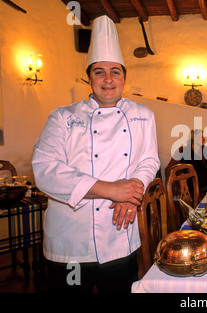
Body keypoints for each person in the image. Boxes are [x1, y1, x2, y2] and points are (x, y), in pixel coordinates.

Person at [32, 15, 160, 293]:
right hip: (70, 241)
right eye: (99, 71)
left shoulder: (142, 116)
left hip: (120, 235)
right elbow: (45, 170)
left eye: (115, 71)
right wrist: (113, 190)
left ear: (125, 76)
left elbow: (149, 161)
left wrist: (132, 192)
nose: (108, 79)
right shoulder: (62, 117)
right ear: (89, 77)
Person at [166, 129, 207, 197]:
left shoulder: (204, 149)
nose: (204, 139)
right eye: (201, 137)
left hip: (204, 183)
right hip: (193, 185)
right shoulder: (186, 151)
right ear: (194, 138)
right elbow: (200, 170)